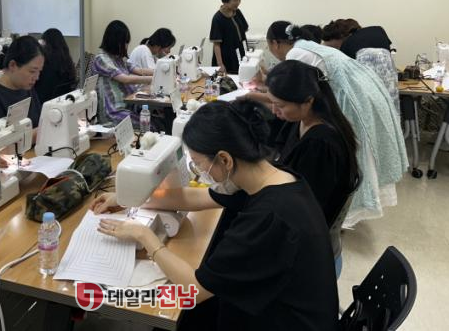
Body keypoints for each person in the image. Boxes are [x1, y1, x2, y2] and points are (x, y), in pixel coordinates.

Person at [91, 100, 339, 331]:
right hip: (276, 305)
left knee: (178, 312)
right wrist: (128, 197)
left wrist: (146, 237)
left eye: (199, 164)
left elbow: (196, 290)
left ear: (224, 159)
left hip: (281, 322)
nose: (200, 171)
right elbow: (197, 197)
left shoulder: (268, 218)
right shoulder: (272, 177)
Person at [261, 21, 407, 228]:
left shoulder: (295, 55)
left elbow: (291, 89)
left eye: (279, 105)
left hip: (353, 96)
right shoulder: (306, 47)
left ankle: (345, 216)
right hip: (364, 89)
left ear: (275, 43)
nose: (276, 109)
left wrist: (253, 95)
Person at [265, 60, 359, 271]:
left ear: (307, 101)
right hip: (297, 226)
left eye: (280, 105)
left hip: (308, 250)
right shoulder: (303, 120)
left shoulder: (320, 146)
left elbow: (304, 212)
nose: (274, 110)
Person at [324, 19, 398, 113]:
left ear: (342, 37)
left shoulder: (348, 46)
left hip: (367, 104)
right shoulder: (379, 32)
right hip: (389, 97)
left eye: (333, 47)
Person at [91, 20, 152, 126]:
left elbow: (139, 71)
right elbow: (125, 79)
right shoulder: (101, 59)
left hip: (127, 107)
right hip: (113, 113)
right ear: (115, 41)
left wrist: (160, 71)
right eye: (125, 42)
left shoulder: (118, 59)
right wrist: (153, 79)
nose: (126, 46)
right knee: (149, 125)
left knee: (156, 119)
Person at [209, 0, 248, 75]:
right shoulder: (217, 18)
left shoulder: (237, 12)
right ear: (225, 0)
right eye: (235, 0)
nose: (238, 2)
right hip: (227, 59)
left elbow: (243, 32)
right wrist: (220, 65)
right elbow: (216, 44)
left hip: (240, 56)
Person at [35, 28, 78, 103]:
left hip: (44, 103)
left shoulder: (45, 63)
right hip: (61, 102)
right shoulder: (67, 62)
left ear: (45, 43)